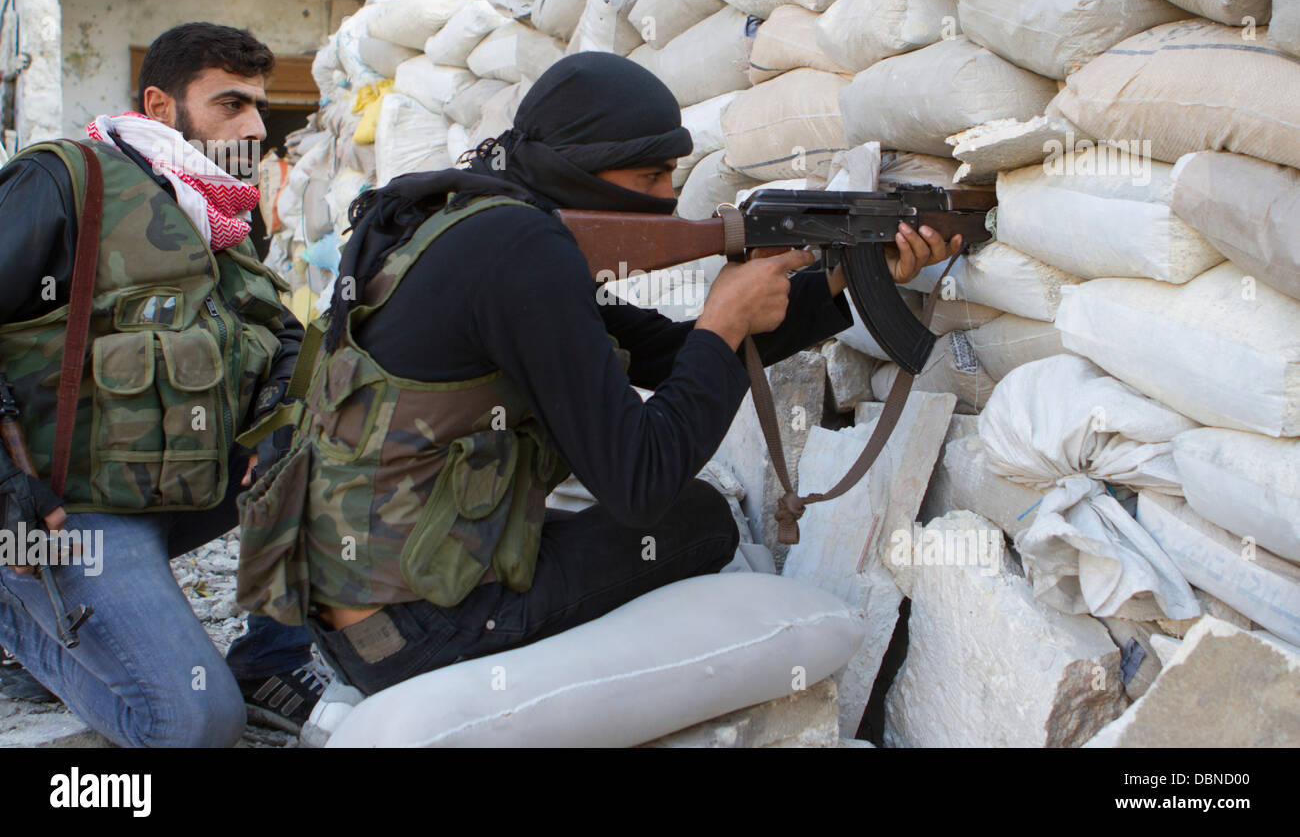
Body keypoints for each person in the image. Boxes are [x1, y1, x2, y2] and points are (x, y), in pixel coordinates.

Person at [243, 51, 957, 696]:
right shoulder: (524, 248)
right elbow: (641, 482)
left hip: (361, 610)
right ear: (574, 168)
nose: (667, 196)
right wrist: (725, 321)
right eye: (649, 175)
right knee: (697, 518)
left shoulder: (470, 219)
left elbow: (661, 352)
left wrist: (842, 282)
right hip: (415, 634)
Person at [0, 22, 327, 745]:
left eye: (259, 109)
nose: (252, 127)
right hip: (56, 512)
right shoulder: (64, 181)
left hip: (160, 487)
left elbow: (283, 339)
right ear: (160, 103)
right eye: (230, 104)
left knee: (331, 420)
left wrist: (278, 417)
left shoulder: (214, 217)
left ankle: (270, 660)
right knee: (192, 722)